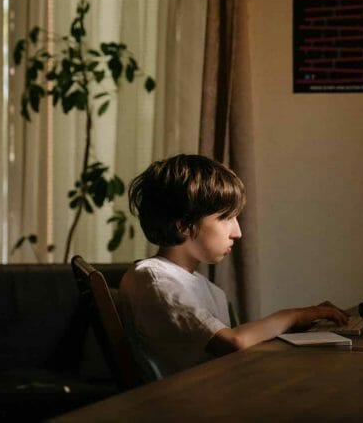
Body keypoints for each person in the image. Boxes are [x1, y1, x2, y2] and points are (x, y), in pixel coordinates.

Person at [118, 154, 348, 380]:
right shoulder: (154, 278)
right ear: (184, 225)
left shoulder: (202, 286)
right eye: (226, 218)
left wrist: (301, 324)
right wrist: (295, 315)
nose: (237, 232)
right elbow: (233, 343)